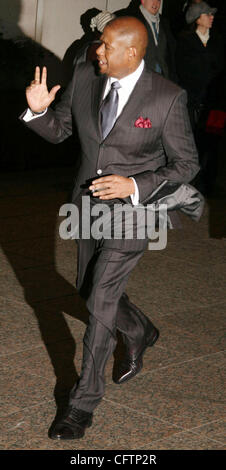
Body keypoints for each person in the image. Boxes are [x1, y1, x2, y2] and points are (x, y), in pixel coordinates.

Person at [20, 16, 199, 440]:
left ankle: (81, 405)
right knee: (88, 290)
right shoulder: (84, 76)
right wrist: (39, 111)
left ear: (132, 52)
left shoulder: (167, 98)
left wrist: (135, 184)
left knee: (100, 301)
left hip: (135, 213)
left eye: (104, 46)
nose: (95, 51)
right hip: (86, 208)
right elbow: (61, 130)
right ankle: (139, 329)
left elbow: (187, 164)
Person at [176, 1, 224, 193]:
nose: (212, 17)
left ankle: (209, 184)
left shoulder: (218, 40)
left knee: (212, 143)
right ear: (197, 18)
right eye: (207, 14)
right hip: (192, 102)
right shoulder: (184, 40)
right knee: (190, 143)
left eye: (212, 14)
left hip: (215, 104)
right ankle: (190, 183)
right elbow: (182, 70)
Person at [115, 0, 178, 82]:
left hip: (162, 80)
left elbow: (171, 54)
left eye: (158, 0)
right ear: (143, 1)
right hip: (138, 79)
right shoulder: (130, 19)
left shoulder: (164, 23)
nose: (155, 3)